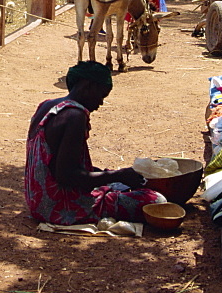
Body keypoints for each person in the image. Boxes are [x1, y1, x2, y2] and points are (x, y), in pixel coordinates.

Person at [25, 61, 166, 225]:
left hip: (37, 201)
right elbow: (66, 176)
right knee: (156, 200)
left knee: (117, 180)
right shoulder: (75, 116)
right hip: (58, 207)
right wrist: (117, 175)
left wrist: (111, 176)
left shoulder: (47, 105)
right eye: (101, 95)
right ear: (88, 86)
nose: (101, 103)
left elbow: (58, 164)